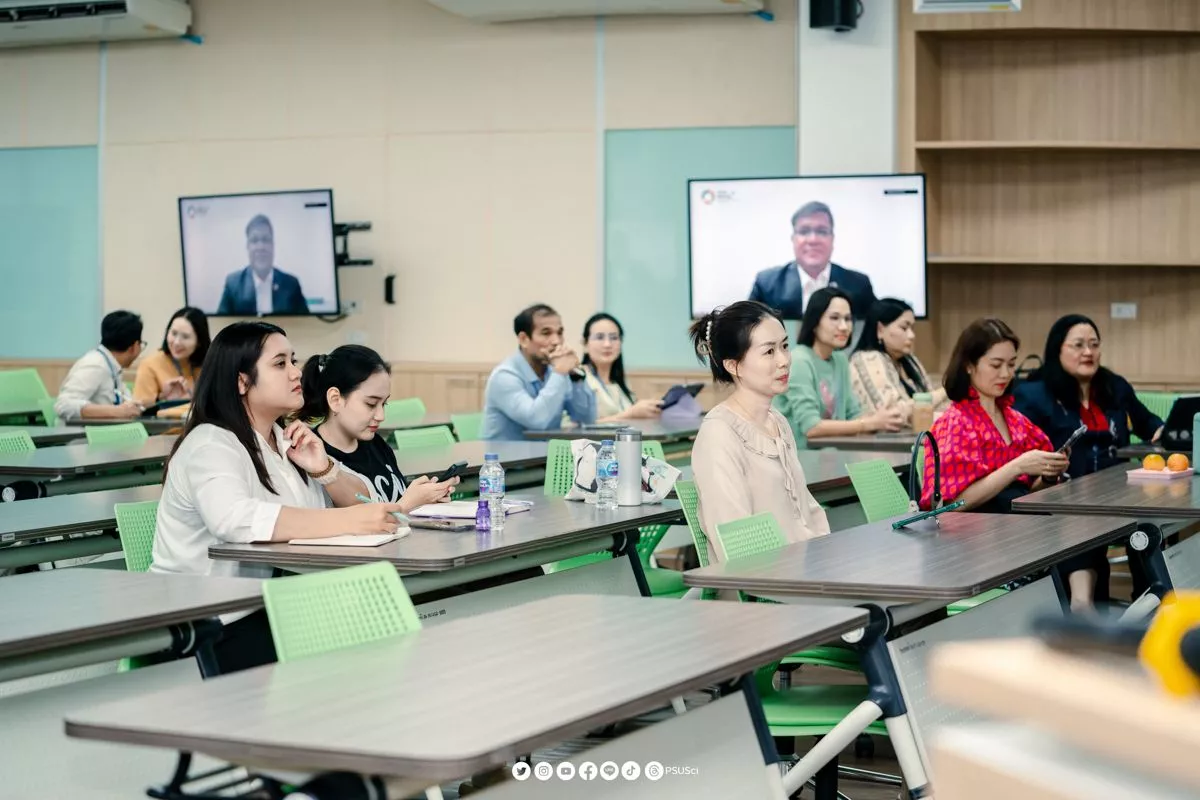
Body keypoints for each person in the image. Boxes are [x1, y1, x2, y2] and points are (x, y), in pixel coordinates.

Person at [150, 321, 405, 673]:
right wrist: (347, 519)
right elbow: (233, 519)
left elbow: (367, 499)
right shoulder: (210, 442)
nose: (295, 372)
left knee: (378, 640)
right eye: (280, 363)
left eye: (293, 361)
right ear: (242, 382)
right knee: (349, 662)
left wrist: (324, 470)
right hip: (206, 621)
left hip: (267, 607)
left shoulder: (285, 441)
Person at [1013, 314, 1165, 609]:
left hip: (1120, 494)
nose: (1088, 352)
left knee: (1151, 524)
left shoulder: (1114, 386)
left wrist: (1163, 431)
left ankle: (1152, 603)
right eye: (1078, 345)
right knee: (1082, 518)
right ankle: (1084, 607)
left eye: (1094, 344)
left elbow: (1149, 424)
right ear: (1057, 349)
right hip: (1063, 497)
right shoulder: (1034, 394)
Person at [688, 300, 830, 561]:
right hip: (761, 578)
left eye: (784, 346)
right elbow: (736, 541)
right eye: (769, 351)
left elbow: (808, 511)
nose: (784, 361)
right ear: (733, 366)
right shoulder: (719, 434)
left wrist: (827, 558)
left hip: (805, 567)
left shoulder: (778, 422)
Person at [921, 318, 1069, 515]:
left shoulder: (1017, 420)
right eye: (996, 365)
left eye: (1011, 364)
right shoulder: (955, 423)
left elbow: (1024, 497)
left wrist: (1048, 476)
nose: (1006, 374)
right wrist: (1017, 467)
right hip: (977, 532)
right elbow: (951, 505)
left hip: (1017, 524)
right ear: (968, 365)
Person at [300, 344, 458, 507]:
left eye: (384, 404)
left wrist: (424, 499)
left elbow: (396, 502)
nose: (381, 416)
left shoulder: (377, 444)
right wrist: (410, 503)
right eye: (371, 404)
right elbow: (368, 516)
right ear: (335, 399)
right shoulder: (314, 457)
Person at [774, 288, 905, 447]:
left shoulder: (840, 360)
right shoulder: (799, 361)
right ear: (815, 321)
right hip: (801, 457)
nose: (844, 326)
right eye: (834, 318)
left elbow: (853, 414)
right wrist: (869, 423)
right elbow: (811, 427)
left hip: (836, 454)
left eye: (848, 319)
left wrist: (881, 419)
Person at [481, 303, 597, 440]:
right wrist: (560, 372)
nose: (556, 341)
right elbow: (537, 421)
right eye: (546, 333)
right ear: (524, 339)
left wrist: (576, 377)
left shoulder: (555, 371)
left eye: (559, 333)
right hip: (505, 454)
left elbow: (586, 419)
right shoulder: (504, 376)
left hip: (545, 452)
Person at [748, 201, 876, 320]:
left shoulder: (859, 285)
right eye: (804, 231)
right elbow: (747, 329)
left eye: (822, 231)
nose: (813, 240)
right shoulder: (767, 284)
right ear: (793, 239)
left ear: (832, 239)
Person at [850, 298, 947, 423]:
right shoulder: (866, 359)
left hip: (917, 433)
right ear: (880, 329)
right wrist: (945, 391)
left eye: (912, 328)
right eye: (904, 328)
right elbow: (894, 413)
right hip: (881, 435)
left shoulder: (909, 360)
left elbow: (932, 403)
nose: (912, 335)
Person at [54, 310, 145, 421]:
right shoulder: (95, 365)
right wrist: (116, 411)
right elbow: (63, 405)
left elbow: (126, 403)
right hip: (83, 431)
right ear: (134, 346)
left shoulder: (112, 366)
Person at [216, 214, 308, 316]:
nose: (260, 247)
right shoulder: (233, 284)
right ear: (247, 246)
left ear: (273, 245)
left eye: (266, 240)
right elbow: (221, 322)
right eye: (254, 240)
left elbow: (307, 322)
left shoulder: (291, 285)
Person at [580, 313, 663, 422]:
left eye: (614, 338)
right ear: (585, 344)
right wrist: (631, 414)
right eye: (599, 337)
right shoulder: (578, 378)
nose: (607, 344)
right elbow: (577, 427)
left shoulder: (620, 381)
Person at [133, 306, 210, 407]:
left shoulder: (208, 364)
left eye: (185, 337)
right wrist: (163, 399)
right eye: (174, 333)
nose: (177, 342)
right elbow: (140, 408)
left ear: (199, 341)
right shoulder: (150, 364)